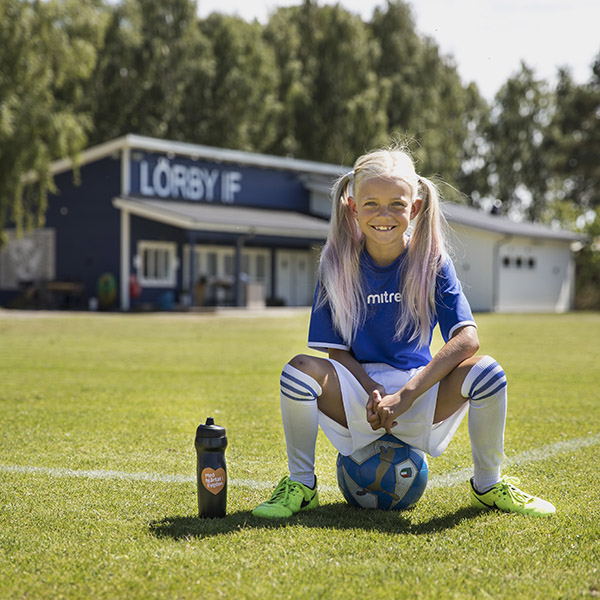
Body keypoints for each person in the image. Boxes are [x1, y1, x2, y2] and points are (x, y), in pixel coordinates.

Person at [252, 148, 555, 519]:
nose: (384, 215)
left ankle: (488, 485)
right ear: (352, 207)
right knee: (297, 371)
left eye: (396, 204)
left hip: (419, 391)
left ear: (414, 208)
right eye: (371, 204)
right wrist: (373, 391)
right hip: (359, 396)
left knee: (487, 372)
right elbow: (336, 351)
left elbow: (467, 339)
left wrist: (406, 395)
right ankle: (302, 484)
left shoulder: (431, 259)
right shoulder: (335, 262)